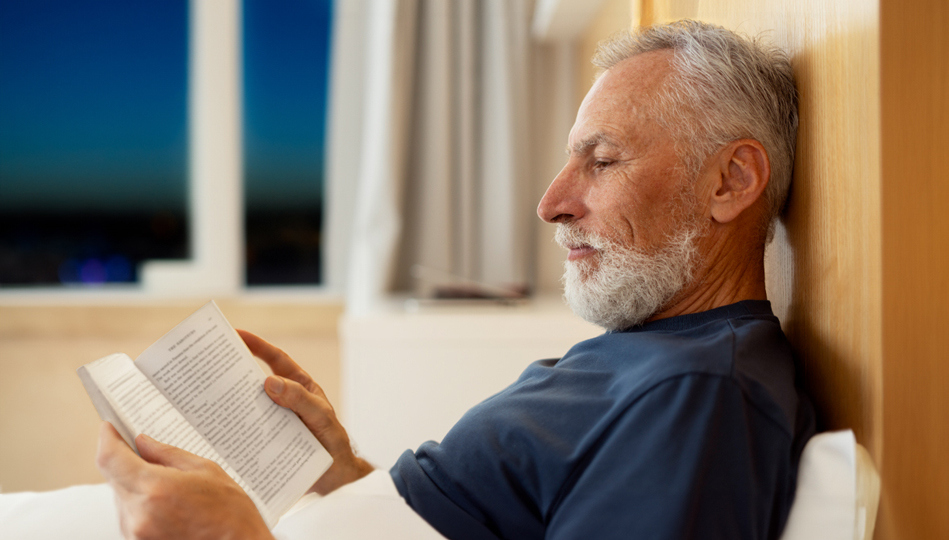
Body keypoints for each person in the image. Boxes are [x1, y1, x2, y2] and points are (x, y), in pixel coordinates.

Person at [96, 20, 814, 540]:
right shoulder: (657, 347)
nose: (551, 203)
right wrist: (341, 471)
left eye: (602, 160)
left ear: (731, 180)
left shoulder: (699, 393)